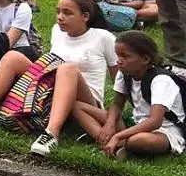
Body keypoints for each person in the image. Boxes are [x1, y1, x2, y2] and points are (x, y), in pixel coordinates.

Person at [0, 0, 118, 156]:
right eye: (58, 11)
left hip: (85, 100)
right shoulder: (56, 31)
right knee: (12, 57)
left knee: (67, 68)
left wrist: (116, 113)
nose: (60, 17)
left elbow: (119, 80)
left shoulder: (103, 38)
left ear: (85, 16)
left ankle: (51, 134)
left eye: (67, 13)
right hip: (52, 93)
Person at [75, 31, 184, 159]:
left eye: (125, 57)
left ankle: (118, 142)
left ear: (145, 59)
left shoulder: (160, 80)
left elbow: (155, 121)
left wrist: (118, 135)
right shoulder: (125, 73)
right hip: (136, 124)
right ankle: (107, 140)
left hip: (164, 131)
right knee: (77, 106)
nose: (119, 61)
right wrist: (109, 124)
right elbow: (117, 104)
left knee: (139, 140)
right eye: (118, 56)